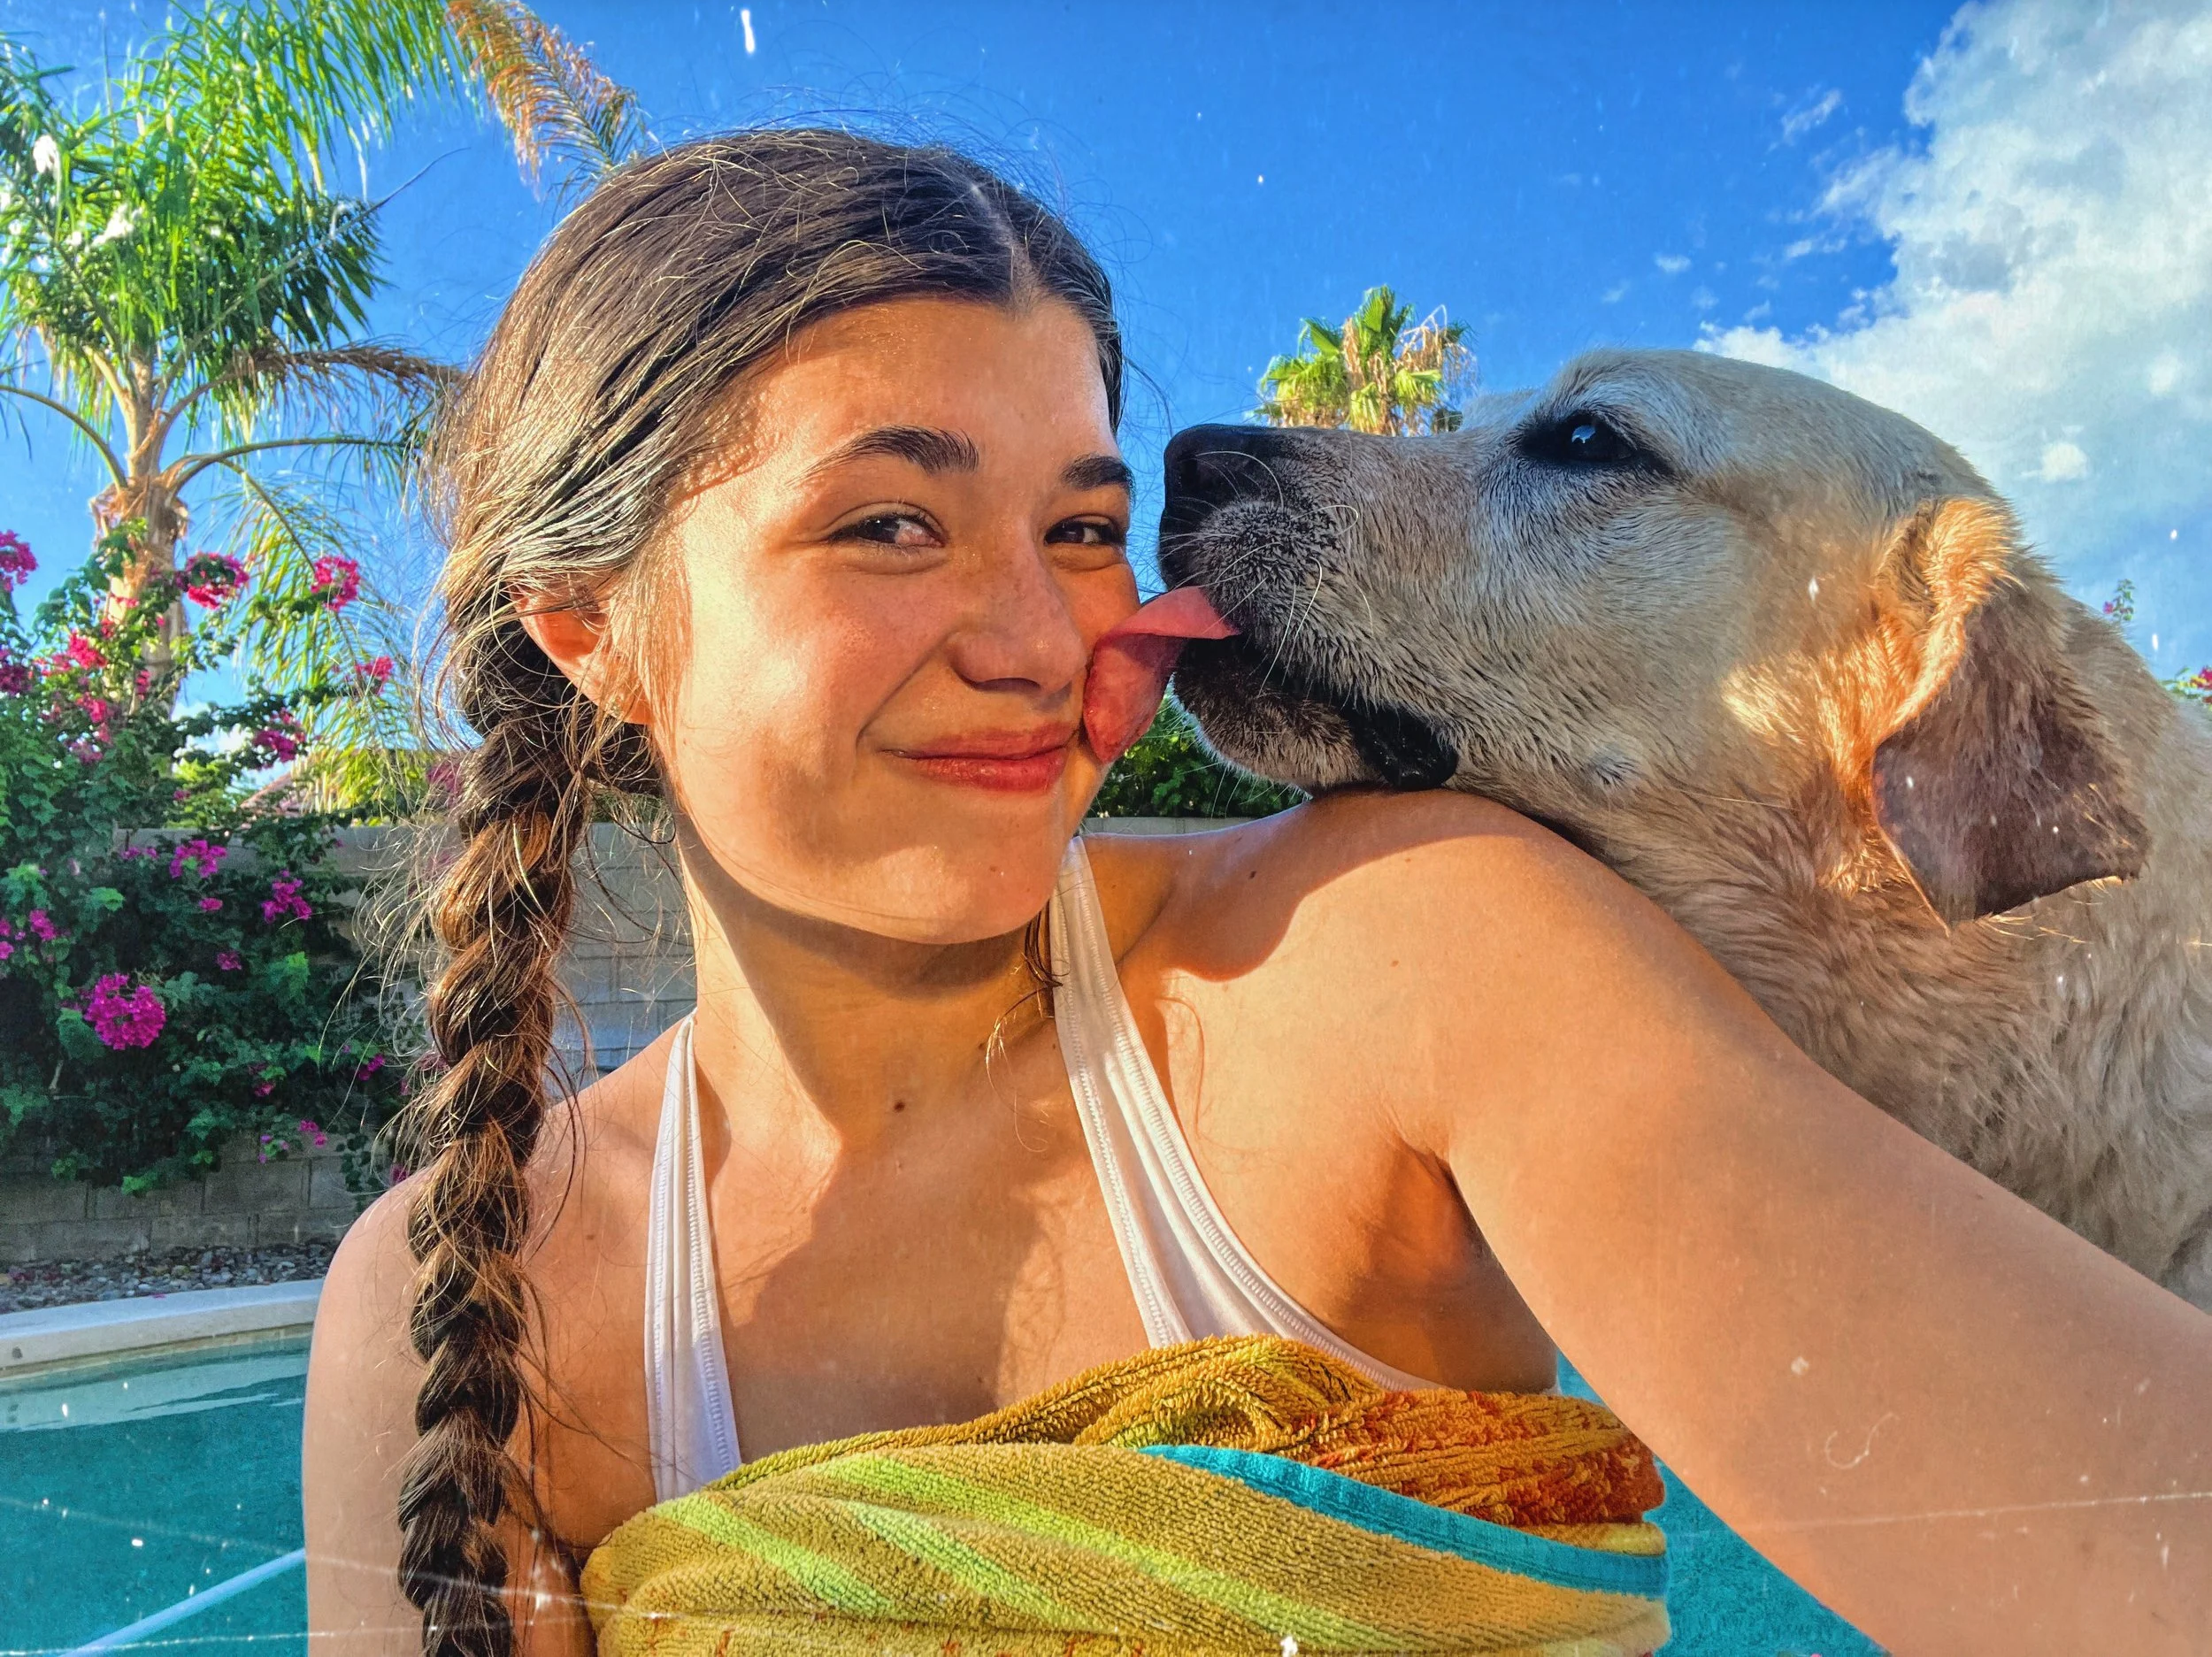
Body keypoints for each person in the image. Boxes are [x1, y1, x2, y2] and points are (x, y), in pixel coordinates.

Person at [303, 130, 2212, 1657]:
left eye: (1076, 526)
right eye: (891, 523)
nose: (1041, 633)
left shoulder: (1405, 948)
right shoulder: (446, 1305)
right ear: (589, 630)